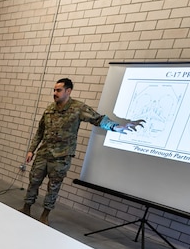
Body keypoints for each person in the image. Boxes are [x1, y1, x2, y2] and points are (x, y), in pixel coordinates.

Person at [22, 78, 144, 225]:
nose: (55, 93)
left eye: (58, 90)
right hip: (43, 154)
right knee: (33, 182)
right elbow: (40, 132)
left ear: (68, 91)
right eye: (54, 90)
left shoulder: (78, 108)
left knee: (53, 187)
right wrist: (31, 150)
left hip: (61, 157)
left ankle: (45, 215)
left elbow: (97, 119)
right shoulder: (49, 109)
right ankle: (26, 208)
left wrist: (116, 127)